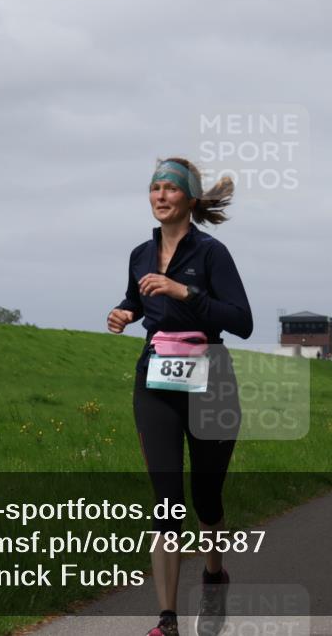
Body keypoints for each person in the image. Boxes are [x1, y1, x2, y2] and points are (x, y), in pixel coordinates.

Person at [107, 158, 253, 636]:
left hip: (211, 378)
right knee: (166, 501)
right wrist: (125, 312)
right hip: (156, 378)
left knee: (206, 495)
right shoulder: (139, 254)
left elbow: (242, 321)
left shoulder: (212, 253)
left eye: (170, 189)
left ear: (190, 199)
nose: (160, 195)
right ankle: (166, 619)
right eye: (154, 188)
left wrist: (185, 292)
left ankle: (214, 570)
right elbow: (136, 296)